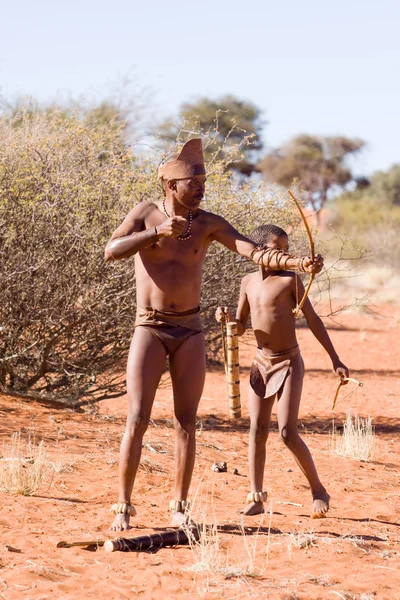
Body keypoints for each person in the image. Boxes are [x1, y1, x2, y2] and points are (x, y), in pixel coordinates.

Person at [104, 141, 324, 531]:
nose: (202, 187)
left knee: (186, 421)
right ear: (172, 185)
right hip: (150, 327)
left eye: (204, 180)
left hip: (189, 330)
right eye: (195, 181)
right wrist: (155, 233)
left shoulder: (208, 223)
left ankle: (179, 505)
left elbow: (254, 252)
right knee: (137, 418)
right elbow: (111, 250)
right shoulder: (145, 214)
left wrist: (296, 262)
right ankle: (123, 504)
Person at [216, 223, 348, 518]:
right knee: (257, 431)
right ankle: (256, 497)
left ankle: (318, 490)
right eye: (280, 250)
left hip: (289, 362)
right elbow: (239, 326)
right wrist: (226, 320)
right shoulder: (248, 282)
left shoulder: (291, 281)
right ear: (260, 251)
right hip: (261, 363)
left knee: (287, 432)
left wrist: (335, 359)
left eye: (288, 251)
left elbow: (313, 320)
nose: (286, 256)